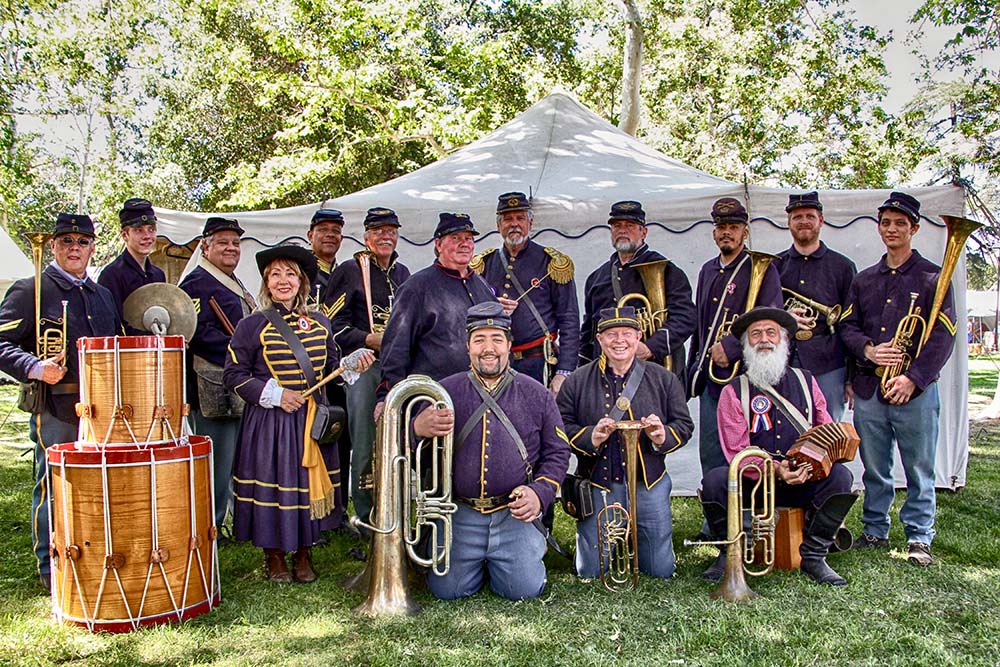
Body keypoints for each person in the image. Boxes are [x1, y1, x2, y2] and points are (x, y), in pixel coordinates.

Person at [224, 244, 374, 583]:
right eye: (275, 274)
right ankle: (274, 557)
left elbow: (333, 369)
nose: (283, 281)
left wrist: (354, 364)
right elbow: (234, 375)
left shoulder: (321, 322)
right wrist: (276, 395)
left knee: (307, 488)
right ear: (266, 282)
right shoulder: (251, 325)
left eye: (290, 274)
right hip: (271, 422)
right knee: (275, 486)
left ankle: (305, 554)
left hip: (312, 420)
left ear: (302, 281)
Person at [412, 302, 570, 600]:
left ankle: (515, 554)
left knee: (524, 590)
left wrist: (540, 493)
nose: (489, 348)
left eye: (497, 339)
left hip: (514, 515)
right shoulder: (443, 392)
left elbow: (558, 452)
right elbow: (408, 451)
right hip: (461, 513)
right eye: (479, 339)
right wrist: (417, 428)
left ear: (509, 346)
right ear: (468, 346)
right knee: (447, 590)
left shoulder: (537, 392)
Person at [0, 213, 121, 590]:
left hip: (103, 407)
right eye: (66, 241)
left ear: (92, 248)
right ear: (53, 246)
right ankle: (48, 565)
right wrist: (34, 366)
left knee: (99, 484)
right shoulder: (30, 289)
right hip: (56, 405)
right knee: (54, 484)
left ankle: (91, 554)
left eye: (82, 242)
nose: (75, 248)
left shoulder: (102, 295)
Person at [839, 191, 956, 567]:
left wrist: (913, 378)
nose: (892, 229)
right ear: (879, 227)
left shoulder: (934, 277)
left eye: (900, 224)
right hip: (871, 386)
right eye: (886, 223)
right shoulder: (864, 279)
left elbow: (943, 335)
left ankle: (919, 536)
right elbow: (848, 327)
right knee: (875, 466)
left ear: (914, 229)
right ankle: (875, 528)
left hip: (914, 391)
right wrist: (869, 351)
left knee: (919, 466)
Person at [701, 307, 857, 585]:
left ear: (784, 340)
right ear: (746, 345)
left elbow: (826, 428)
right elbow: (736, 451)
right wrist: (774, 469)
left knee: (841, 477)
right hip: (756, 485)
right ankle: (728, 552)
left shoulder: (808, 381)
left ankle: (814, 555)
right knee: (715, 480)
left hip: (802, 478)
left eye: (771, 332)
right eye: (756, 334)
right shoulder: (732, 391)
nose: (764, 339)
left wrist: (811, 465)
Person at [557, 306, 693, 581]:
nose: (619, 340)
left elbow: (684, 425)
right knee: (591, 573)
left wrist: (661, 435)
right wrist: (590, 437)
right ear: (599, 340)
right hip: (599, 483)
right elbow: (560, 429)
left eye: (627, 334)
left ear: (639, 336)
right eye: (611, 334)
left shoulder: (664, 378)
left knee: (660, 572)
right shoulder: (576, 381)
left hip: (649, 482)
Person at [325, 207, 411, 528]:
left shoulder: (403, 274)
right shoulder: (350, 270)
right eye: (378, 231)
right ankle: (366, 517)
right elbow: (333, 325)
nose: (386, 236)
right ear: (366, 237)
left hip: (397, 368)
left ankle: (396, 511)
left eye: (391, 230)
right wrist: (369, 339)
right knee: (365, 444)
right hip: (364, 366)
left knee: (401, 441)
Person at [686, 197, 783, 478]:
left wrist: (731, 346)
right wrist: (696, 366)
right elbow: (702, 325)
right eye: (721, 227)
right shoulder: (707, 269)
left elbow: (769, 316)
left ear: (745, 232)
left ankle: (748, 514)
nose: (726, 232)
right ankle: (717, 516)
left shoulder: (761, 267)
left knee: (747, 447)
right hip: (712, 377)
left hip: (747, 374)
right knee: (712, 449)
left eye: (733, 226)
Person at [179, 217, 257, 533]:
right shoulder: (196, 284)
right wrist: (243, 349)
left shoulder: (232, 281)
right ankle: (211, 526)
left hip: (236, 382)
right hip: (211, 384)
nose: (230, 248)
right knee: (217, 462)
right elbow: (196, 333)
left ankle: (237, 522)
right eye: (223, 242)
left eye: (235, 243)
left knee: (237, 458)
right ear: (205, 246)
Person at [376, 212, 497, 408]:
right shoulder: (416, 287)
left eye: (468, 238)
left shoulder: (482, 285)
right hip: (433, 400)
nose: (464, 243)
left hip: (480, 397)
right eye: (455, 238)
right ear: (438, 244)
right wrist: (388, 396)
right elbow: (396, 347)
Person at [471, 192, 580, 393]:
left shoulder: (552, 263)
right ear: (498, 226)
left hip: (539, 364)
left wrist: (564, 371)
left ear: (530, 223)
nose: (514, 224)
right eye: (508, 219)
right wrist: (492, 308)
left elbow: (569, 319)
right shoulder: (482, 265)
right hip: (495, 364)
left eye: (520, 218)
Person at [580, 200, 696, 375]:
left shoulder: (668, 271)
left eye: (630, 225)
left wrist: (650, 347)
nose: (623, 230)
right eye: (617, 226)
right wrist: (584, 371)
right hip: (608, 372)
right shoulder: (596, 278)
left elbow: (685, 317)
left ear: (644, 232)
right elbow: (589, 331)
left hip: (656, 369)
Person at [776, 191, 857, 421]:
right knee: (787, 429)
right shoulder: (775, 265)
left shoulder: (842, 266)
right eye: (797, 216)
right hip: (784, 359)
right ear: (788, 222)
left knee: (828, 433)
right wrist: (784, 317)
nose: (804, 222)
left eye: (810, 216)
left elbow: (851, 324)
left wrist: (851, 377)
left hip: (829, 362)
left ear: (821, 221)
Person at [98, 197, 165, 332]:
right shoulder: (111, 275)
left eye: (151, 229)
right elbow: (114, 326)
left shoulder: (158, 275)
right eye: (139, 230)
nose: (147, 236)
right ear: (124, 235)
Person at [308, 208, 344, 306]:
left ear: (341, 239)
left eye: (336, 231)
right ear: (310, 236)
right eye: (323, 230)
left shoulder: (346, 275)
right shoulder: (299, 272)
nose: (330, 235)